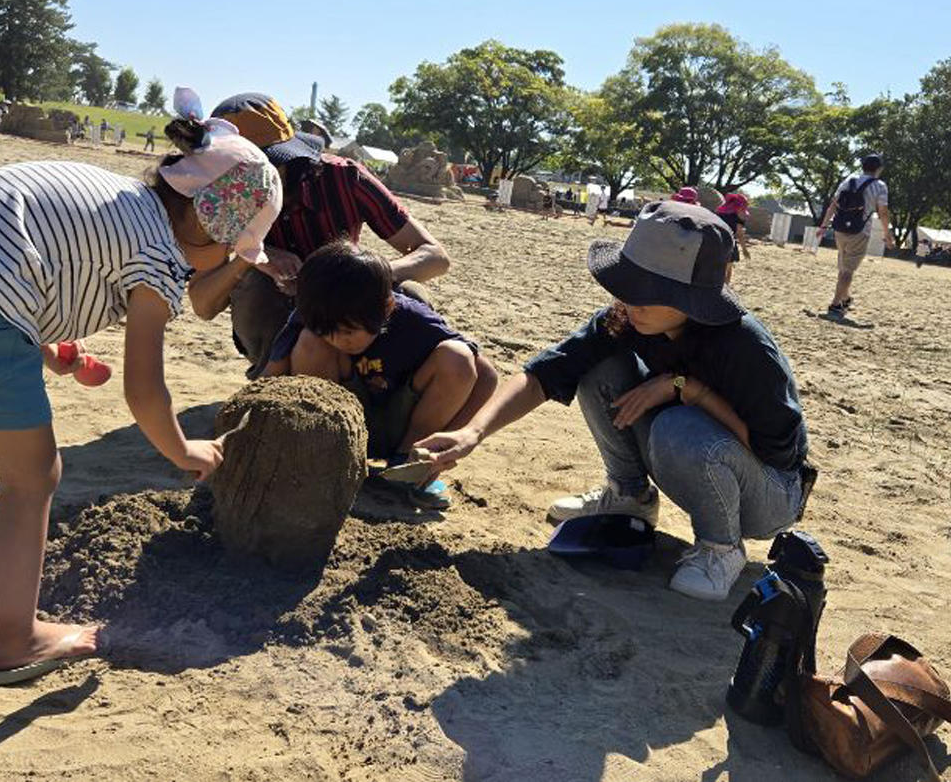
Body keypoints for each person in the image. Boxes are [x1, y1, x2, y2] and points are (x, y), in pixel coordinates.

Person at [0, 96, 282, 685]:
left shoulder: (107, 192)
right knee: (32, 476)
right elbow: (145, 390)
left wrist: (47, 351)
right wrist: (183, 451)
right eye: (230, 249)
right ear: (207, 223)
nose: (219, 263)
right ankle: (16, 638)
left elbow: (7, 257)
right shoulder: (160, 254)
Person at [417, 201, 809, 601]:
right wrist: (472, 433)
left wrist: (688, 389)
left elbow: (773, 452)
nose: (632, 300)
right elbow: (546, 374)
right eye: (628, 285)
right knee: (598, 369)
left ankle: (720, 549)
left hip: (769, 493)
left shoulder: (744, 346)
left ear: (693, 299)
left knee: (680, 427)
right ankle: (629, 498)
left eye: (650, 292)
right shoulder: (629, 319)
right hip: (689, 456)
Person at [203, 92, 450, 378]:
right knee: (253, 284)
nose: (243, 184)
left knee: (413, 293)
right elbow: (205, 305)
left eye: (253, 170)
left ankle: (385, 386)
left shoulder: (345, 179)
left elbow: (436, 257)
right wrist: (256, 255)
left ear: (287, 160)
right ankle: (272, 376)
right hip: (282, 317)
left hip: (350, 314)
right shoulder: (223, 198)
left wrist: (357, 277)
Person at [265, 240, 498, 509]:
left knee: (458, 357)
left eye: (348, 331)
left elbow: (486, 376)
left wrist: (448, 444)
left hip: (406, 427)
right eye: (327, 330)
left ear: (387, 308)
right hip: (342, 422)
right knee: (309, 342)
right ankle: (325, 456)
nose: (337, 340)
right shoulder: (317, 315)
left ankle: (410, 467)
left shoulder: (413, 319)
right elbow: (271, 378)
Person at [816, 154, 894, 317]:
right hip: (860, 231)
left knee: (843, 267)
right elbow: (883, 211)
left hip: (839, 228)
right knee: (848, 271)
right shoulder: (880, 185)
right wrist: (887, 233)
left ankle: (845, 298)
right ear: (879, 169)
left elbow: (834, 204)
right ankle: (835, 304)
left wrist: (824, 225)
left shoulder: (850, 179)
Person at [715, 192, 752, 282]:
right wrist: (744, 249)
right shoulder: (738, 217)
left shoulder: (719, 213)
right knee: (728, 269)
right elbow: (739, 234)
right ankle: (725, 287)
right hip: (729, 243)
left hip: (716, 242)